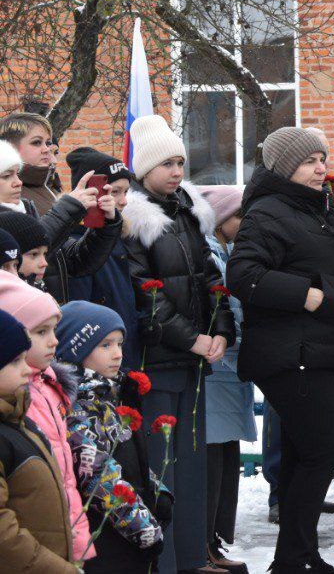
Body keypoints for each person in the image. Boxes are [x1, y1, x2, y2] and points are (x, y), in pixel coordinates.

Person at [227, 127, 334, 574]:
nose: (321, 168)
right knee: (322, 453)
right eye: (310, 161)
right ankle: (294, 559)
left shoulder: (326, 209)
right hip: (292, 353)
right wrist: (305, 293)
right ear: (283, 167)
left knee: (303, 454)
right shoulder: (267, 212)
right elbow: (242, 274)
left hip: (327, 351)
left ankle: (299, 557)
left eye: (322, 158)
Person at [121, 114, 233, 574]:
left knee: (191, 464)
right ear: (145, 167)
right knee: (162, 465)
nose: (177, 172)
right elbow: (145, 292)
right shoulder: (136, 218)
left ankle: (191, 556)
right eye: (166, 163)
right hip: (160, 358)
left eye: (181, 162)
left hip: (194, 359)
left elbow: (209, 277)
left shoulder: (186, 210)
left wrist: (223, 328)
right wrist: (193, 340)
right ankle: (163, 562)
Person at [57, 300, 172, 573]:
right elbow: (98, 477)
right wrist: (143, 527)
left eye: (120, 344)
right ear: (77, 348)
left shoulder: (108, 393)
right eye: (105, 345)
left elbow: (131, 455)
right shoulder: (78, 407)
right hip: (105, 535)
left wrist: (159, 495)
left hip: (126, 530)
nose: (117, 354)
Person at [0, 271, 92, 561]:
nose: (54, 341)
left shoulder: (42, 392)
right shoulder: (19, 410)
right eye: (16, 361)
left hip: (60, 543)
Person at [198, 185, 253, 574]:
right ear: (220, 219)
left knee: (225, 456)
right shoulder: (212, 254)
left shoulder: (228, 251)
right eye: (239, 216)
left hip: (230, 367)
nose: (245, 224)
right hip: (218, 367)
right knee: (212, 460)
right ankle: (204, 546)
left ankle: (214, 542)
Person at [0, 141, 121, 304]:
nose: (18, 182)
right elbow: (23, 249)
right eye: (7, 176)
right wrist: (70, 206)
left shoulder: (27, 209)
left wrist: (107, 222)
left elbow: (77, 260)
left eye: (17, 174)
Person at [64, 148, 142, 368]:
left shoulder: (119, 235)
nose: (124, 201)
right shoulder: (72, 241)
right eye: (115, 192)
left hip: (122, 352)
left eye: (126, 192)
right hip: (96, 359)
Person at [0, 111, 63, 214]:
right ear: (11, 148)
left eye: (47, 143)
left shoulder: (43, 182)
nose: (46, 149)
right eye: (37, 142)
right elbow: (31, 229)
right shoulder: (9, 192)